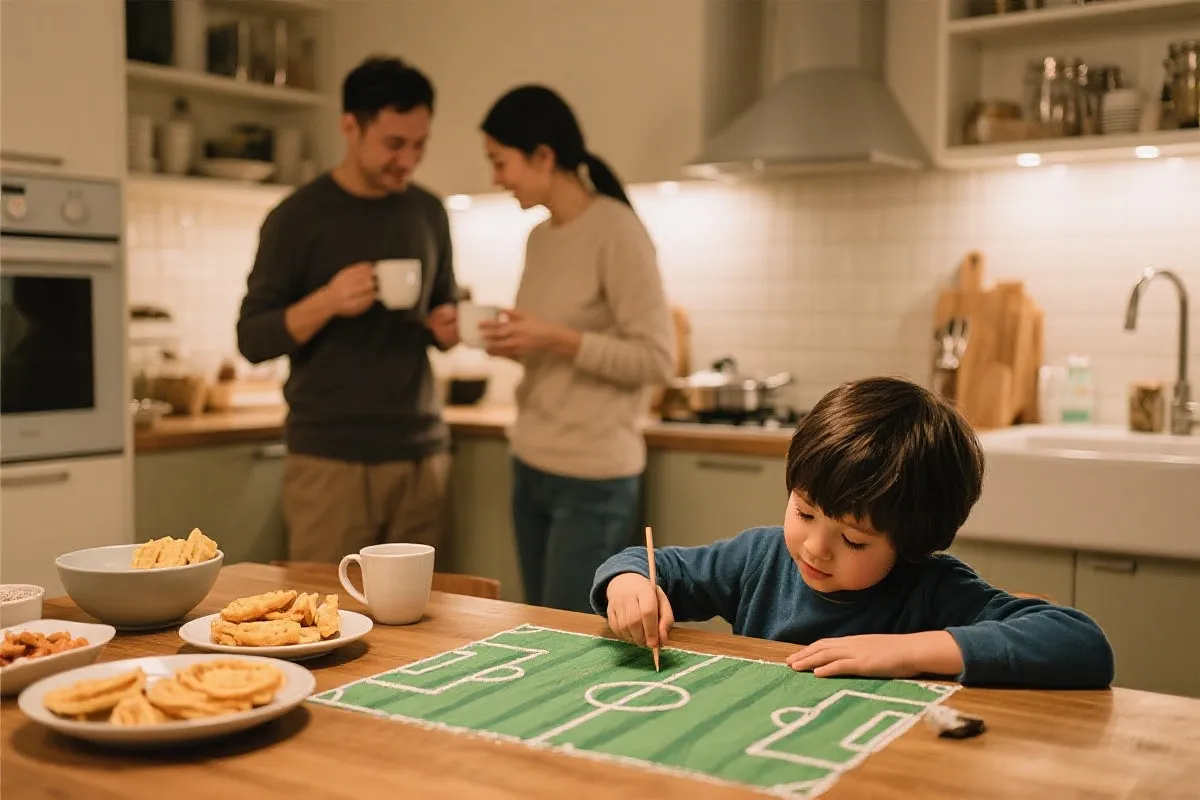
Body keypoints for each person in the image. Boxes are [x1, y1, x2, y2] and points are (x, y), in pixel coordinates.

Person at [593, 376, 1115, 689]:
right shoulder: (760, 558)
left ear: (910, 545)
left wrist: (908, 652)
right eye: (805, 512)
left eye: (855, 541)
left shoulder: (929, 587)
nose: (816, 547)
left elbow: (1082, 644)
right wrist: (629, 585)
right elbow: (647, 564)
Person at [236, 56, 460, 566]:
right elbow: (253, 338)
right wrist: (328, 301)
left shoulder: (428, 211)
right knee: (322, 620)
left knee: (425, 625)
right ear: (350, 127)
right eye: (394, 144)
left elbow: (440, 306)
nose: (408, 160)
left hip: (421, 453)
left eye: (419, 144)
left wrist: (447, 326)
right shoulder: (295, 218)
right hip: (328, 461)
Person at [477, 85, 675, 613]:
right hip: (532, 465)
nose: (495, 177)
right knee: (540, 629)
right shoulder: (540, 237)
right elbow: (549, 346)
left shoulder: (617, 231)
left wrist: (553, 338)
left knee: (573, 644)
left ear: (544, 156)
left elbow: (657, 360)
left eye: (501, 162)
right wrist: (507, 340)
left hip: (594, 480)